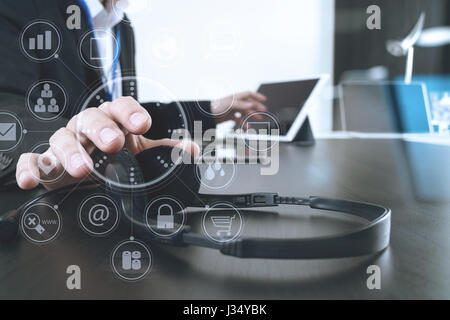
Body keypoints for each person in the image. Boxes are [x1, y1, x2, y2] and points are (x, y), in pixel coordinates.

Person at [0, 0, 267, 190]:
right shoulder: (18, 6)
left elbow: (123, 121)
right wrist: (56, 153)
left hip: (111, 204)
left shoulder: (122, 25)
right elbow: (7, 107)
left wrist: (208, 109)